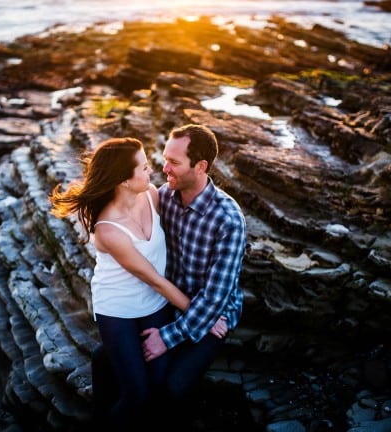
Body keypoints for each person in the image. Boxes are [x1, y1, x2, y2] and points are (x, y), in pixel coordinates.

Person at [48, 137, 227, 430]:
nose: (151, 171)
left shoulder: (152, 196)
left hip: (154, 303)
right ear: (123, 180)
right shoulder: (108, 230)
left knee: (158, 385)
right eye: (143, 167)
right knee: (138, 395)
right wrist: (204, 317)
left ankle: (106, 356)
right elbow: (154, 279)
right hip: (118, 308)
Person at [140, 123, 247, 419]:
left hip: (214, 314)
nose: (164, 168)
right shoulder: (165, 197)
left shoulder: (228, 219)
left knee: (173, 389)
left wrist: (167, 337)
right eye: (164, 158)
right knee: (106, 360)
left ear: (200, 166)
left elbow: (215, 297)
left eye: (173, 162)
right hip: (173, 300)